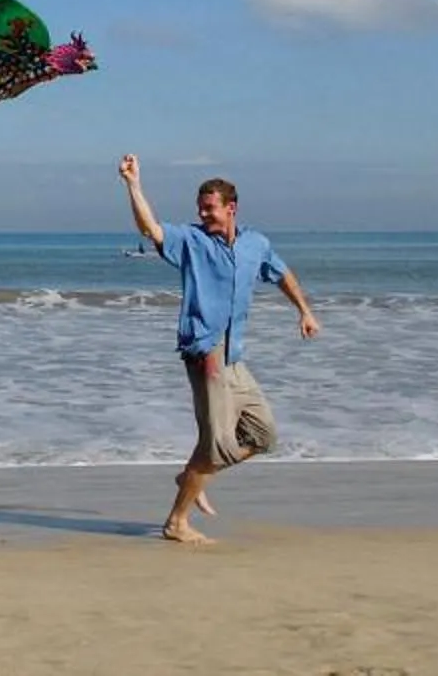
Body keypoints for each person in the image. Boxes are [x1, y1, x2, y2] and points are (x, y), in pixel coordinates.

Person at [119, 153, 319, 544]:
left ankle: (194, 472)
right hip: (205, 352)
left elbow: (281, 273)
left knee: (263, 436)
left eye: (210, 208)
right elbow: (151, 229)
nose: (204, 214)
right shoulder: (191, 241)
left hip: (234, 356)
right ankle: (177, 521)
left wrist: (304, 311)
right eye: (200, 209)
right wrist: (133, 184)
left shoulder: (254, 244)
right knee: (217, 447)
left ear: (231, 208)